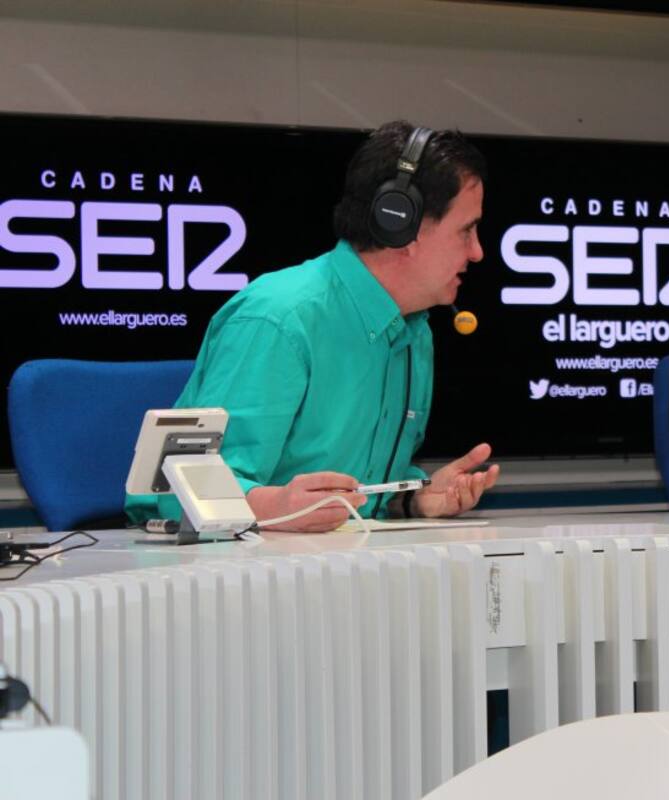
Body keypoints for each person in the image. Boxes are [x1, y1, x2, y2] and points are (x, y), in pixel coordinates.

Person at [126, 120, 500, 531]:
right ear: (402, 223)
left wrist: (410, 498)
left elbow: (357, 495)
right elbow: (175, 494)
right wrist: (275, 507)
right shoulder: (279, 319)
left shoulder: (415, 331)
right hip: (239, 566)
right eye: (467, 230)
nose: (477, 252)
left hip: (344, 560)